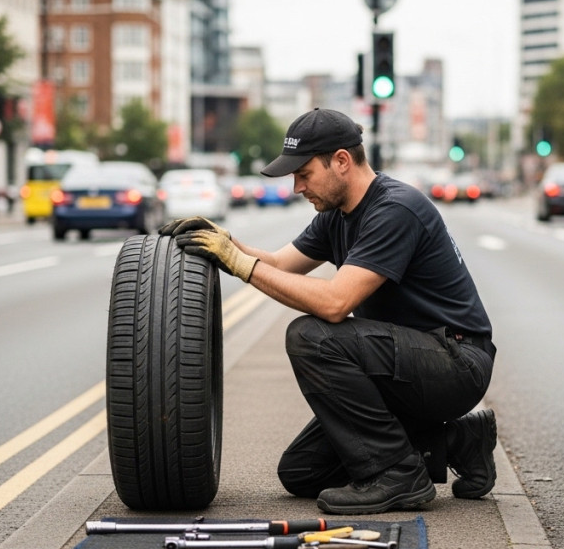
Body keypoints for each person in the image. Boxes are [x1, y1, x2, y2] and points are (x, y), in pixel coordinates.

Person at [161, 107, 497, 515]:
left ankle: (398, 476)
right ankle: (461, 440)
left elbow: (336, 304)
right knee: (302, 473)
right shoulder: (337, 214)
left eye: (304, 174)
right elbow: (281, 264)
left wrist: (239, 263)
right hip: (404, 364)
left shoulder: (395, 209)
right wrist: (225, 241)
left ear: (340, 161)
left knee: (311, 337)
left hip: (455, 362)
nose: (298, 187)